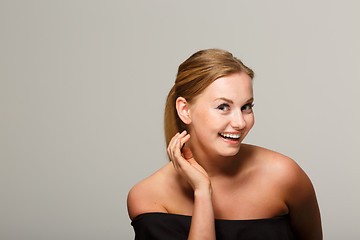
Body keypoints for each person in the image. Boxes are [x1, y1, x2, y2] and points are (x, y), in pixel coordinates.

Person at [127, 49, 322, 240]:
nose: (240, 122)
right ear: (185, 110)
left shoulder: (284, 175)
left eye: (246, 107)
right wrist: (202, 192)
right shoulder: (148, 196)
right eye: (223, 107)